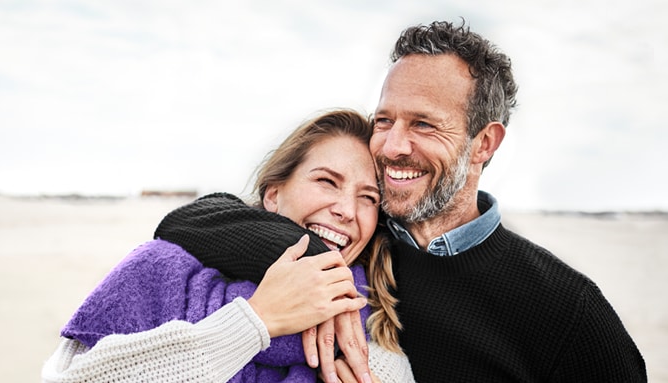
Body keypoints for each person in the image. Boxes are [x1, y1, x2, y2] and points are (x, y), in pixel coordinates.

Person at [164, 20, 648, 382]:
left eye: (423, 124)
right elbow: (187, 221)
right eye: (384, 120)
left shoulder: (567, 311)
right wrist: (320, 266)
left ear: (485, 143)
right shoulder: (357, 238)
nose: (392, 146)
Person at [41, 109, 415, 383]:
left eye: (368, 197)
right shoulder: (159, 266)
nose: (347, 210)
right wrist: (255, 321)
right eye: (326, 181)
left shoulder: (370, 319)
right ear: (273, 193)